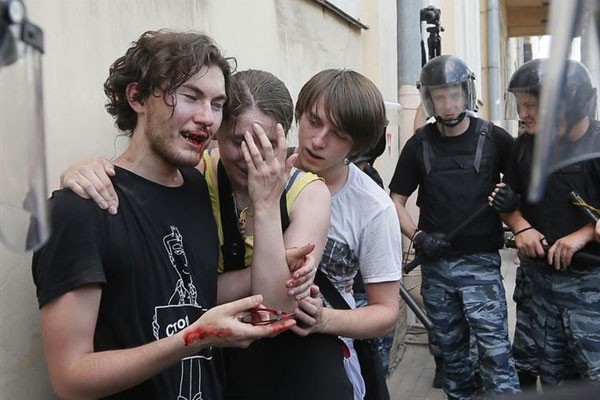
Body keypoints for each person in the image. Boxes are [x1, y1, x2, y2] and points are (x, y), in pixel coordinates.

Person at [60, 68, 404, 400]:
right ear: (216, 133)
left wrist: (266, 204)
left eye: (265, 143)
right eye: (239, 140)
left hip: (298, 353)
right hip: (217, 356)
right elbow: (177, 284)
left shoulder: (347, 202)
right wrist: (86, 171)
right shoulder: (195, 174)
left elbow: (277, 305)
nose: (250, 156)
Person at [31, 30, 311, 400]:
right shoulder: (80, 209)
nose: (207, 118)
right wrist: (194, 338)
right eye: (190, 96)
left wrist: (272, 257)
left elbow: (188, 293)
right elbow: (71, 379)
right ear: (136, 97)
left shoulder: (196, 188)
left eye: (216, 104)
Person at [389, 55, 519, 399]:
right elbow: (395, 201)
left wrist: (513, 203)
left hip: (481, 265)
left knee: (495, 353)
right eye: (440, 96)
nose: (448, 105)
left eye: (454, 95)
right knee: (453, 356)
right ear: (430, 99)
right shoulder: (419, 145)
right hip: (437, 266)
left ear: (467, 94)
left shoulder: (494, 138)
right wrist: (417, 236)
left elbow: (525, 181)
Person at [490, 58, 600, 388]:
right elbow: (505, 202)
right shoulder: (525, 146)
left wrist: (580, 236)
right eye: (520, 105)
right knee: (552, 378)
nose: (524, 114)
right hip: (539, 285)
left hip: (590, 288)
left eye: (532, 105)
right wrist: (520, 225)